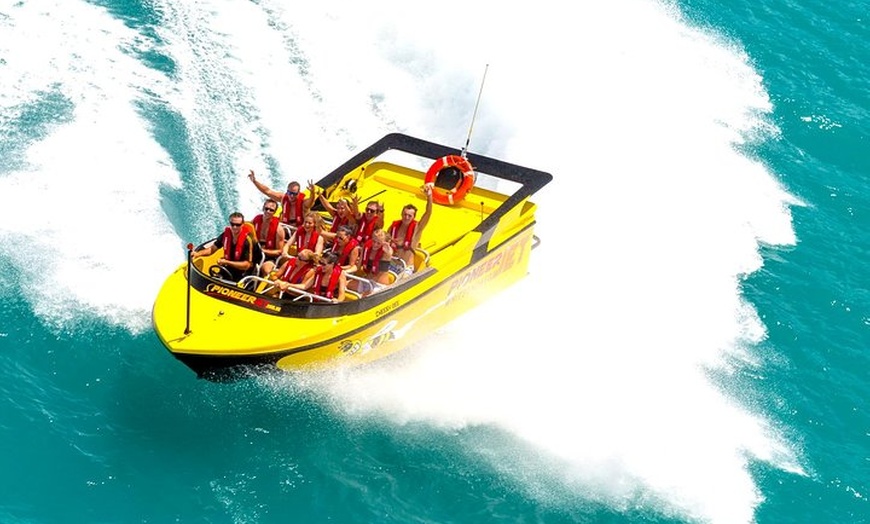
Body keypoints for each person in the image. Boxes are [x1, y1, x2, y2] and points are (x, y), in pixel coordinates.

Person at [192, 212, 255, 281]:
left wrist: (227, 262)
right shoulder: (226, 235)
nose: (234, 227)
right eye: (232, 224)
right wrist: (197, 254)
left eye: (238, 225)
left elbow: (246, 265)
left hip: (242, 274)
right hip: (226, 269)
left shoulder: (247, 241)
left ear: (242, 225)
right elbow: (212, 249)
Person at [387, 185, 433, 273]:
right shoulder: (393, 227)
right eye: (405, 214)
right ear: (401, 214)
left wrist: (429, 196)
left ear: (413, 217)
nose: (406, 217)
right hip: (390, 264)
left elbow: (428, 213)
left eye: (409, 216)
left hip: (405, 268)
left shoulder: (417, 228)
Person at [248, 170, 313, 228]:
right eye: (289, 193)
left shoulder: (303, 201)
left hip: (301, 230)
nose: (291, 196)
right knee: (263, 218)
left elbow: (310, 202)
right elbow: (267, 191)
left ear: (299, 193)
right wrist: (254, 181)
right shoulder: (283, 198)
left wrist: (312, 192)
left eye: (294, 194)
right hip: (285, 227)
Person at [251, 199, 285, 275]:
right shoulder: (255, 220)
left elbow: (279, 251)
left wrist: (262, 251)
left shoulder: (279, 229)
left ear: (275, 212)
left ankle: (258, 285)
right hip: (253, 251)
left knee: (266, 269)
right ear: (263, 208)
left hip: (269, 257)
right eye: (266, 209)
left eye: (271, 210)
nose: (268, 211)